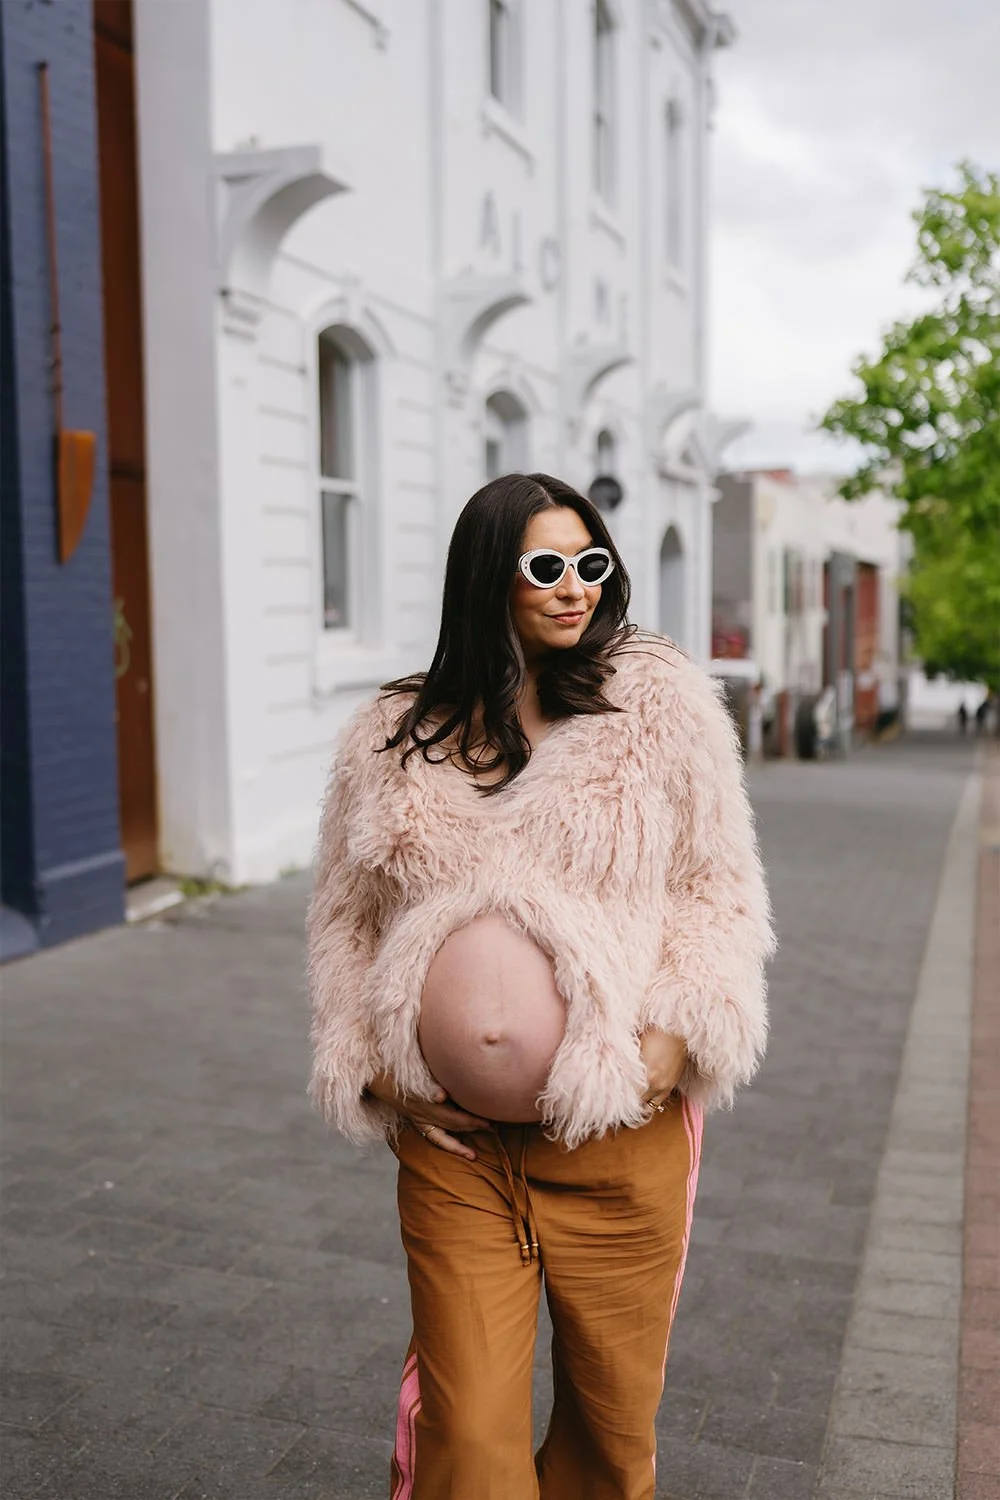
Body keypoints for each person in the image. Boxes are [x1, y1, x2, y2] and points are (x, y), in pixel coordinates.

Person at [306, 473, 776, 1499]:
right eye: (546, 566)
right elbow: (345, 915)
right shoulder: (393, 734)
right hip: (458, 1156)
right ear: (487, 577)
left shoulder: (659, 706)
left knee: (609, 1438)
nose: (575, 588)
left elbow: (718, 888)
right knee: (468, 1444)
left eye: (590, 563)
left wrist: (675, 1034)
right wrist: (364, 1060)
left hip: (618, 1140)